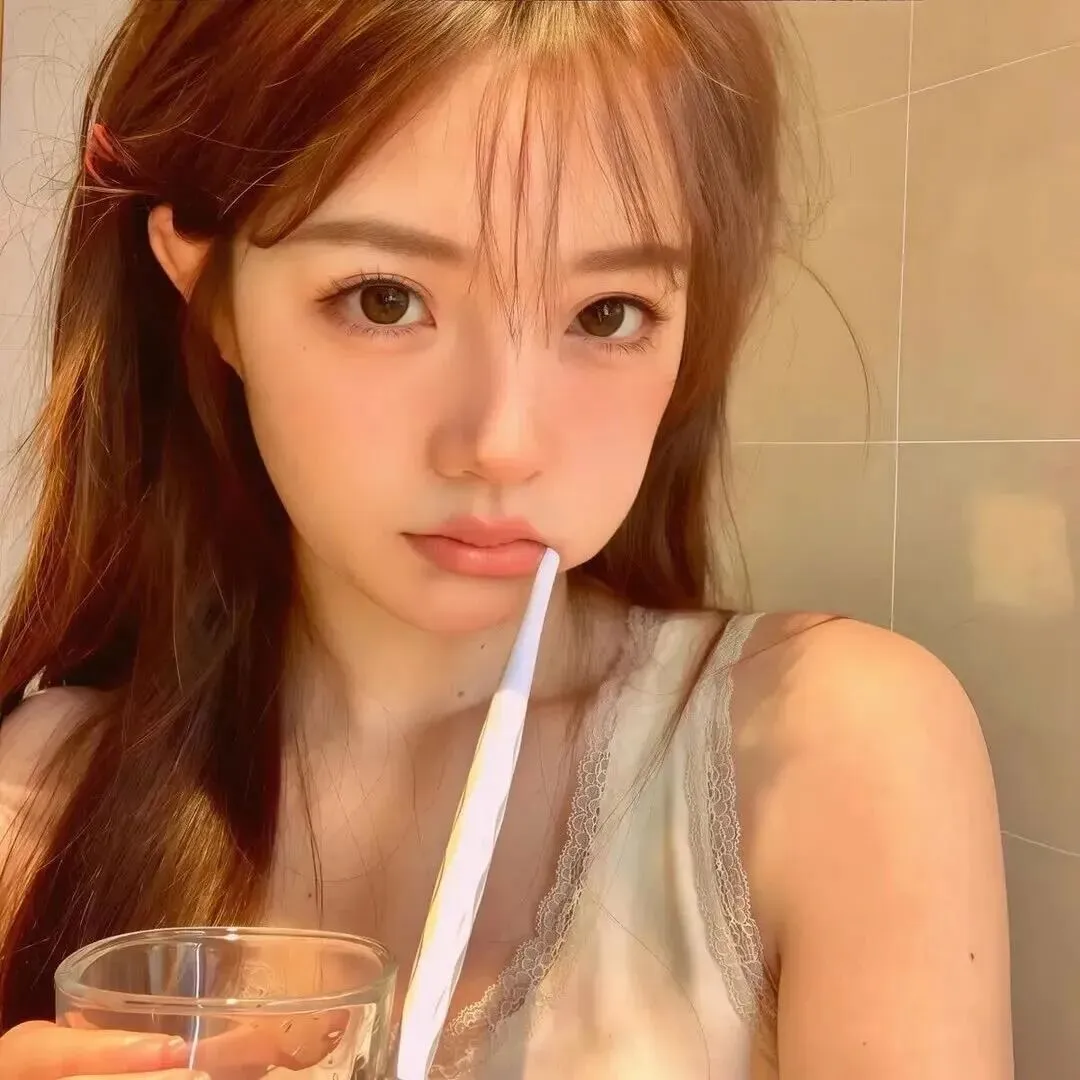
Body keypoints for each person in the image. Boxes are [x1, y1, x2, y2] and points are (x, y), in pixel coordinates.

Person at [0, 2, 1012, 1078]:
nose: (504, 443)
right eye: (385, 299)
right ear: (211, 298)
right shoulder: (36, 797)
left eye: (608, 313)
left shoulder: (824, 751)